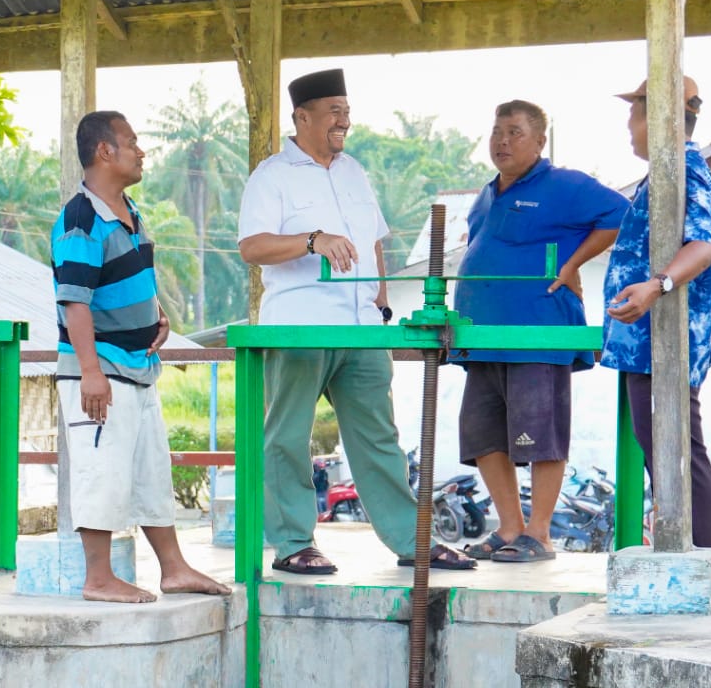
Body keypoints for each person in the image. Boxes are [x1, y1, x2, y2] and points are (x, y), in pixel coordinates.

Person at [238, 68, 476, 575]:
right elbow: (252, 247)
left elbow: (373, 244)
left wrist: (381, 305)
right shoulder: (272, 175)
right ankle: (293, 543)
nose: (344, 121)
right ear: (302, 117)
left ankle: (413, 541)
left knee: (379, 437)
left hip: (363, 326)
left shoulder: (354, 172)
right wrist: (311, 240)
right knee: (287, 437)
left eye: (346, 112)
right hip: (300, 325)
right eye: (334, 112)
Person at [51, 110, 230, 603]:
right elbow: (74, 301)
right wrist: (90, 372)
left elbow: (130, 278)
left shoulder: (129, 211)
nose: (141, 151)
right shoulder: (82, 219)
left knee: (152, 473)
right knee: (101, 471)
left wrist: (158, 315)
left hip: (138, 369)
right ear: (105, 151)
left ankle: (173, 568)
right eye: (132, 142)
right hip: (102, 369)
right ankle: (98, 578)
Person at [452, 100, 628, 563]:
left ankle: (541, 533)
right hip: (483, 336)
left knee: (541, 435)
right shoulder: (487, 193)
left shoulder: (564, 184)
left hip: (538, 332)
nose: (502, 141)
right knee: (483, 436)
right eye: (497, 132)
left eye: (514, 132)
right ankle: (510, 528)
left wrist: (573, 263)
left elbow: (623, 214)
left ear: (539, 142)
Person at [600, 77, 711, 549]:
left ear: (655, 116)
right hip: (648, 337)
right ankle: (693, 551)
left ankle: (701, 554)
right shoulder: (667, 170)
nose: (628, 126)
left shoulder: (684, 168)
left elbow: (706, 243)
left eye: (633, 113)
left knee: (675, 447)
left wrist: (657, 286)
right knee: (664, 445)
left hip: (668, 335)